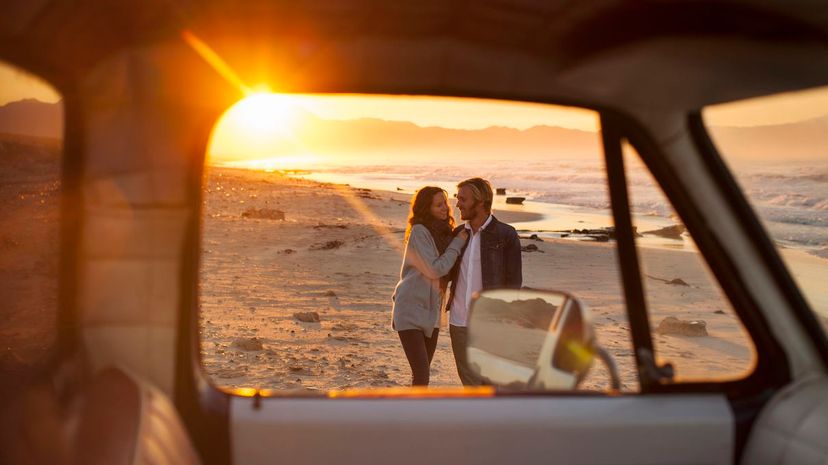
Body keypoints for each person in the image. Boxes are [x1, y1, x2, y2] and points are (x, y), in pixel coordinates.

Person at [447, 177, 522, 386]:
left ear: (480, 202)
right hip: (459, 319)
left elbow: (514, 282)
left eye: (463, 199)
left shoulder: (506, 235)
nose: (458, 203)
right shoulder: (458, 234)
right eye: (457, 198)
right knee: (469, 382)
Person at [392, 186, 469, 386]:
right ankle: (414, 416)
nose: (445, 208)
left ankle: (414, 413)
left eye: (445, 202)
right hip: (410, 308)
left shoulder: (446, 234)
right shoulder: (420, 232)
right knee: (421, 373)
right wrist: (457, 244)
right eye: (438, 205)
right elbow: (435, 269)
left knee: (422, 376)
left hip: (433, 311)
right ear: (427, 209)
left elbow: (451, 271)